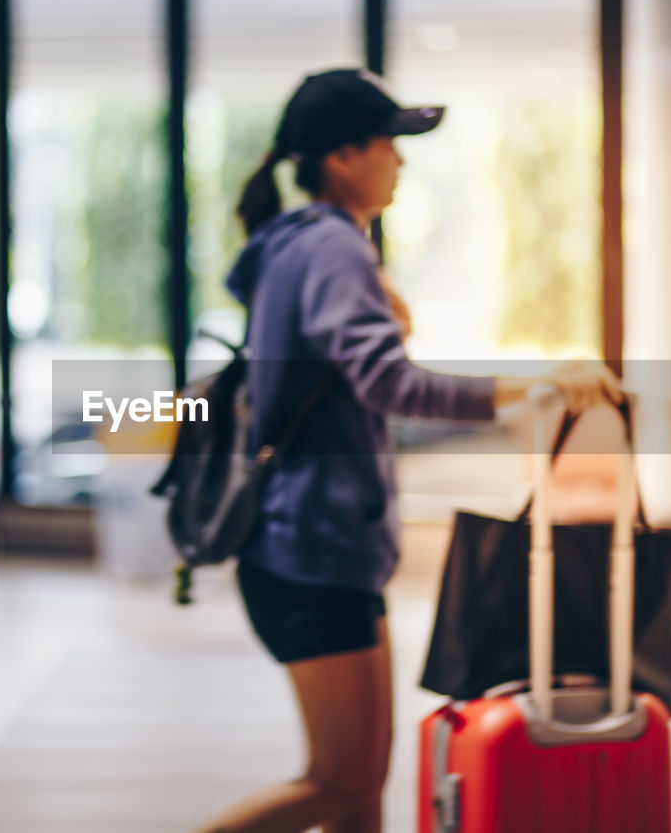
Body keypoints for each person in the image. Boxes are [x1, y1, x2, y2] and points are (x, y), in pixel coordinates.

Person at [192, 68, 621, 833]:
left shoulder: (296, 244)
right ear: (344, 157)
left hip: (315, 548)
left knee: (360, 791)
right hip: (313, 553)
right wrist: (528, 385)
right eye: (390, 142)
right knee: (338, 780)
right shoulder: (331, 248)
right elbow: (391, 385)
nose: (401, 160)